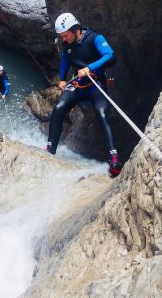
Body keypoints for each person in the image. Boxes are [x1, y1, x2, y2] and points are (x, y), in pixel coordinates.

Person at [45, 13, 122, 176]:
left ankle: (114, 157)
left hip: (96, 83)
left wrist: (90, 68)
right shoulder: (67, 44)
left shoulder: (94, 38)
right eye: (61, 36)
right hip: (78, 84)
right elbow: (65, 59)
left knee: (102, 114)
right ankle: (50, 148)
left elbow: (110, 55)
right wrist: (62, 79)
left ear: (76, 30)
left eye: (66, 35)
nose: (64, 39)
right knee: (59, 108)